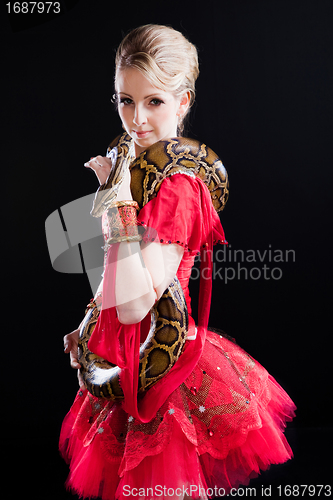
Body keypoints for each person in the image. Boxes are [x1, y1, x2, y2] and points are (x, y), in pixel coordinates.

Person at [61, 24, 296, 500]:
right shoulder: (133, 168)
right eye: (125, 100)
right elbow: (117, 275)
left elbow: (135, 304)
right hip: (123, 355)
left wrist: (119, 203)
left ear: (184, 100)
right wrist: (89, 323)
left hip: (162, 373)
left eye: (154, 101)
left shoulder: (178, 189)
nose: (136, 119)